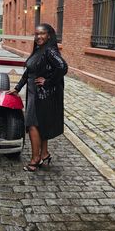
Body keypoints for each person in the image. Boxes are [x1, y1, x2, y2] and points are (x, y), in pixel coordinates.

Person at [9, 23, 68, 171]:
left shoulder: (49, 51)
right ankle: (44, 154)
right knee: (40, 124)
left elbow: (63, 67)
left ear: (49, 35)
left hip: (41, 94)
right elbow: (28, 72)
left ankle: (35, 159)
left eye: (42, 34)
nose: (38, 37)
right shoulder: (39, 50)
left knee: (33, 124)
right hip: (34, 92)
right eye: (36, 34)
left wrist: (47, 82)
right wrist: (17, 88)